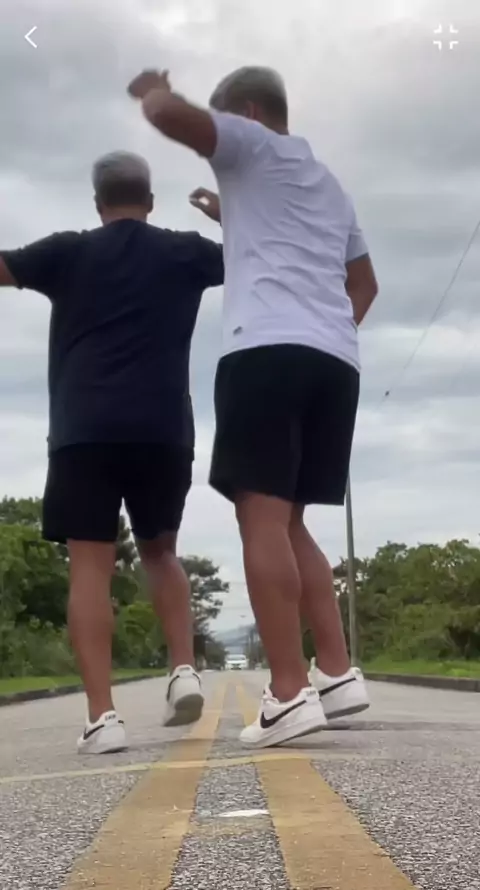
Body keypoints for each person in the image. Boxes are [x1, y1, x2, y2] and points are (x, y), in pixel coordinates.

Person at [128, 66, 378, 748]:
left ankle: (289, 694)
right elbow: (364, 283)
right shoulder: (328, 184)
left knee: (260, 517)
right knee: (291, 522)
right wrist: (326, 328)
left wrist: (151, 91)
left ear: (247, 111)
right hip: (335, 362)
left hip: (266, 351)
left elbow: (174, 119)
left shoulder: (250, 143)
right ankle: (337, 671)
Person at [0, 151, 224, 754]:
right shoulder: (185, 251)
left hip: (84, 430)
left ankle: (103, 717)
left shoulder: (66, 251)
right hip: (163, 428)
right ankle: (183, 668)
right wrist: (228, 216)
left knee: (90, 568)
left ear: (97, 204)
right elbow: (262, 253)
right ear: (149, 201)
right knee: (161, 552)